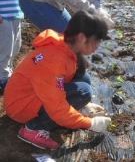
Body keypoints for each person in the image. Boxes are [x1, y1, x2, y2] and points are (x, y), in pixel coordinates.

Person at [4, 10, 111, 150]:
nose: (97, 46)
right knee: (83, 92)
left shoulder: (65, 46)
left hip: (31, 94)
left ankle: (71, 109)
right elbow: (57, 108)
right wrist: (89, 123)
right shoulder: (54, 61)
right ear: (81, 37)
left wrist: (84, 106)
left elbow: (63, 78)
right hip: (21, 107)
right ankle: (33, 129)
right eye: (96, 41)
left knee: (84, 78)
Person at [0, 0, 24, 90]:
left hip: (16, 17)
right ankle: (3, 79)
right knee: (5, 49)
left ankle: (7, 72)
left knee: (15, 47)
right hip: (3, 19)